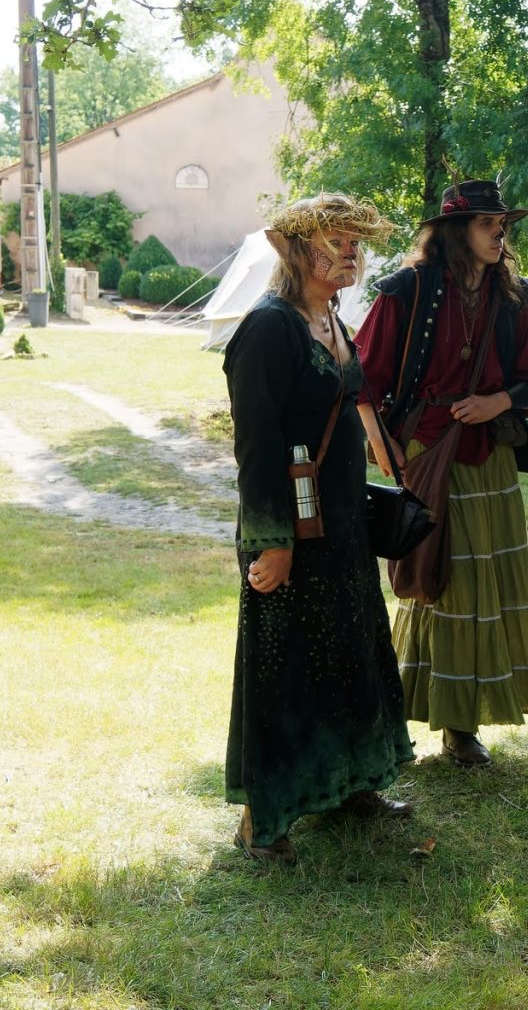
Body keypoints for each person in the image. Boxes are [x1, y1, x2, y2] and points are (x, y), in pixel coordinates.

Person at [224, 194, 416, 864]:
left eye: (357, 242)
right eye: (339, 241)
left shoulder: (331, 317)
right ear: (301, 250)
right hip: (289, 530)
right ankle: (262, 820)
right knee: (284, 672)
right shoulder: (267, 329)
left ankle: (351, 784)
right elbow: (255, 447)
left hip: (342, 526)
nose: (354, 252)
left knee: (351, 654)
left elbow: (351, 405)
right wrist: (272, 541)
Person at [357, 178, 528, 767]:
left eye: (503, 225)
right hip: (428, 451)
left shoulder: (512, 296)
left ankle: (462, 725)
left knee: (486, 584)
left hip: (490, 457)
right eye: (486, 224)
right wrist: (383, 447)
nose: (500, 234)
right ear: (454, 231)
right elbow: (361, 377)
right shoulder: (408, 291)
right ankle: (432, 715)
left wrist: (497, 402)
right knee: (440, 581)